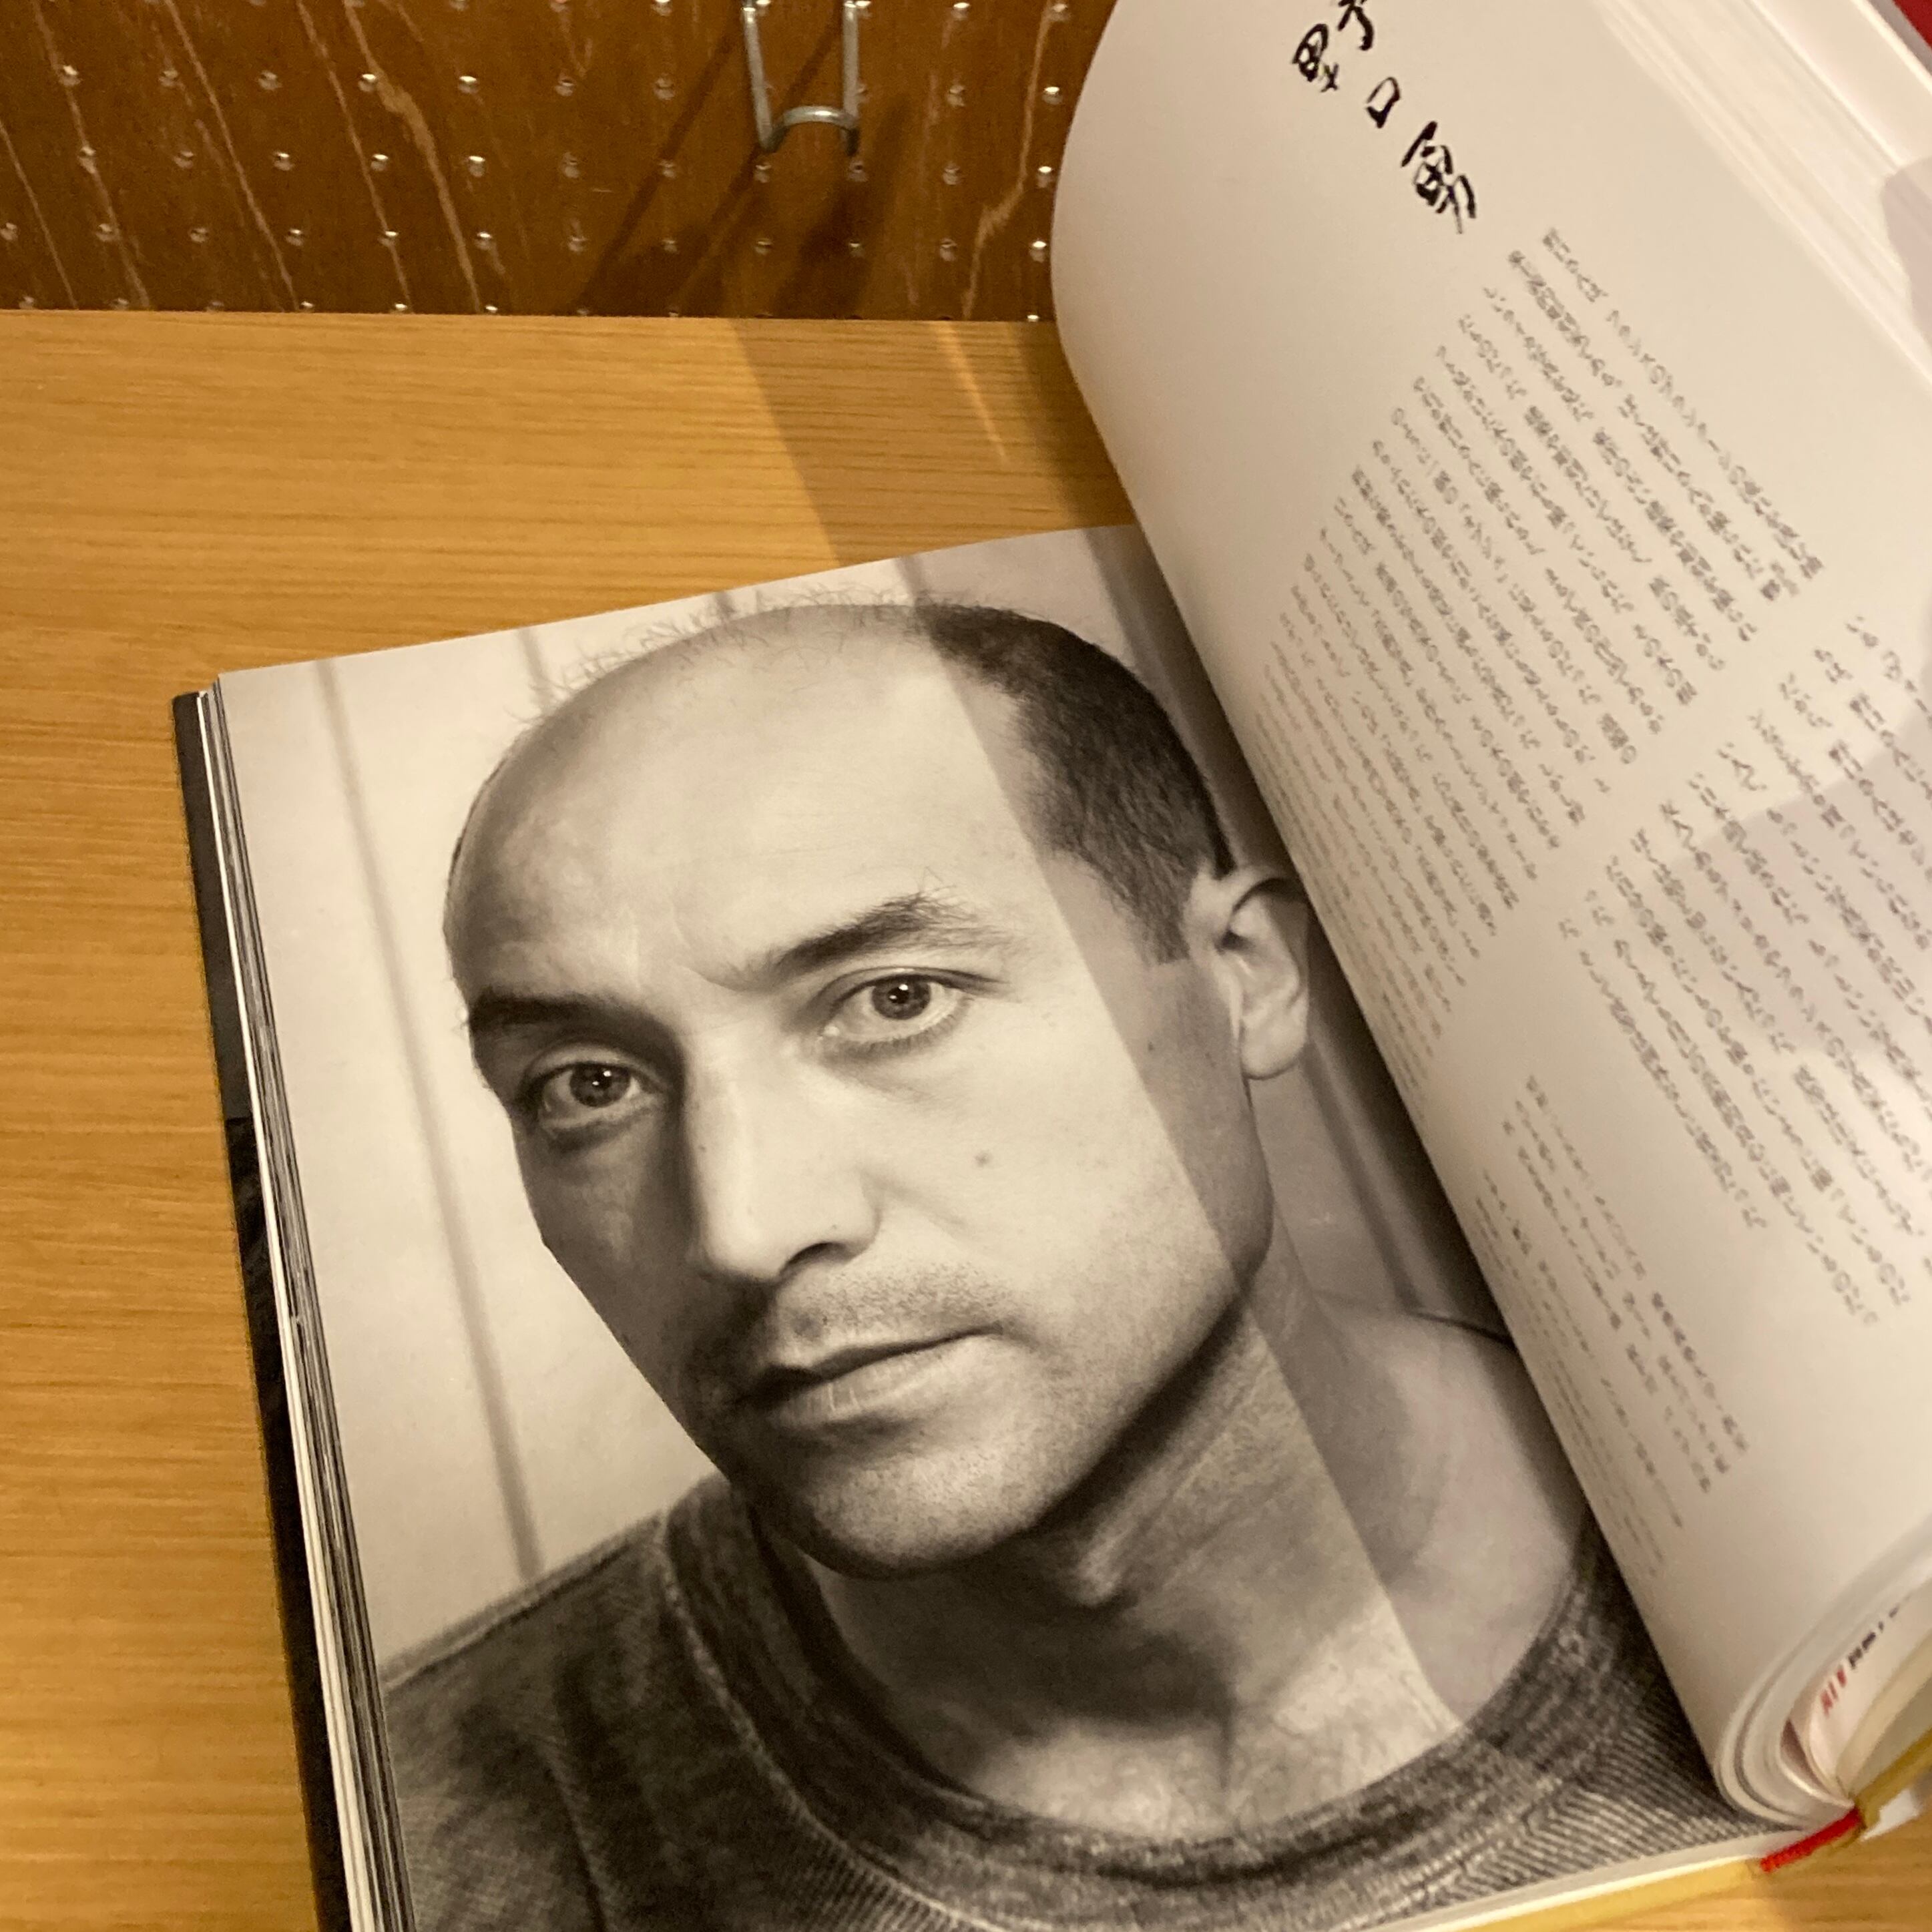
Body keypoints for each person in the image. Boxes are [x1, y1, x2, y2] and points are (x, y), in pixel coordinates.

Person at [387, 600, 1746, 1930]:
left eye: (896, 999)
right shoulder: (425, 1828)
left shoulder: (1789, 1589)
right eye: (589, 1084)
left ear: (1243, 975)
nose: (741, 1228)